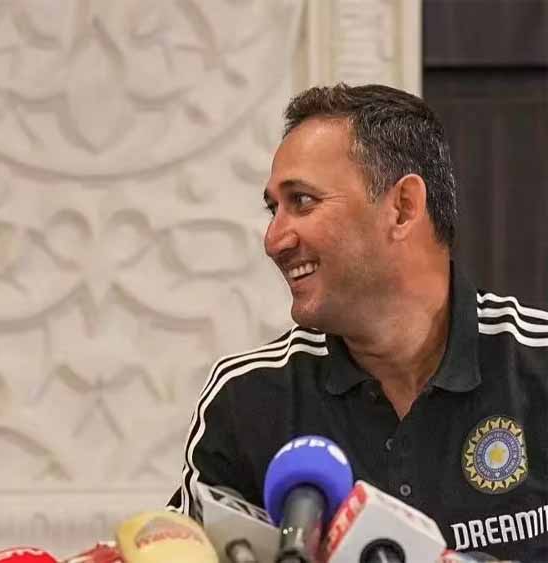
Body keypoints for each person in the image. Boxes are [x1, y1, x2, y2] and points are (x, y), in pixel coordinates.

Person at [170, 83, 548, 560]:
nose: (274, 239)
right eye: (273, 209)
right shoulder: (248, 397)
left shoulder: (537, 366)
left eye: (302, 201)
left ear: (403, 207)